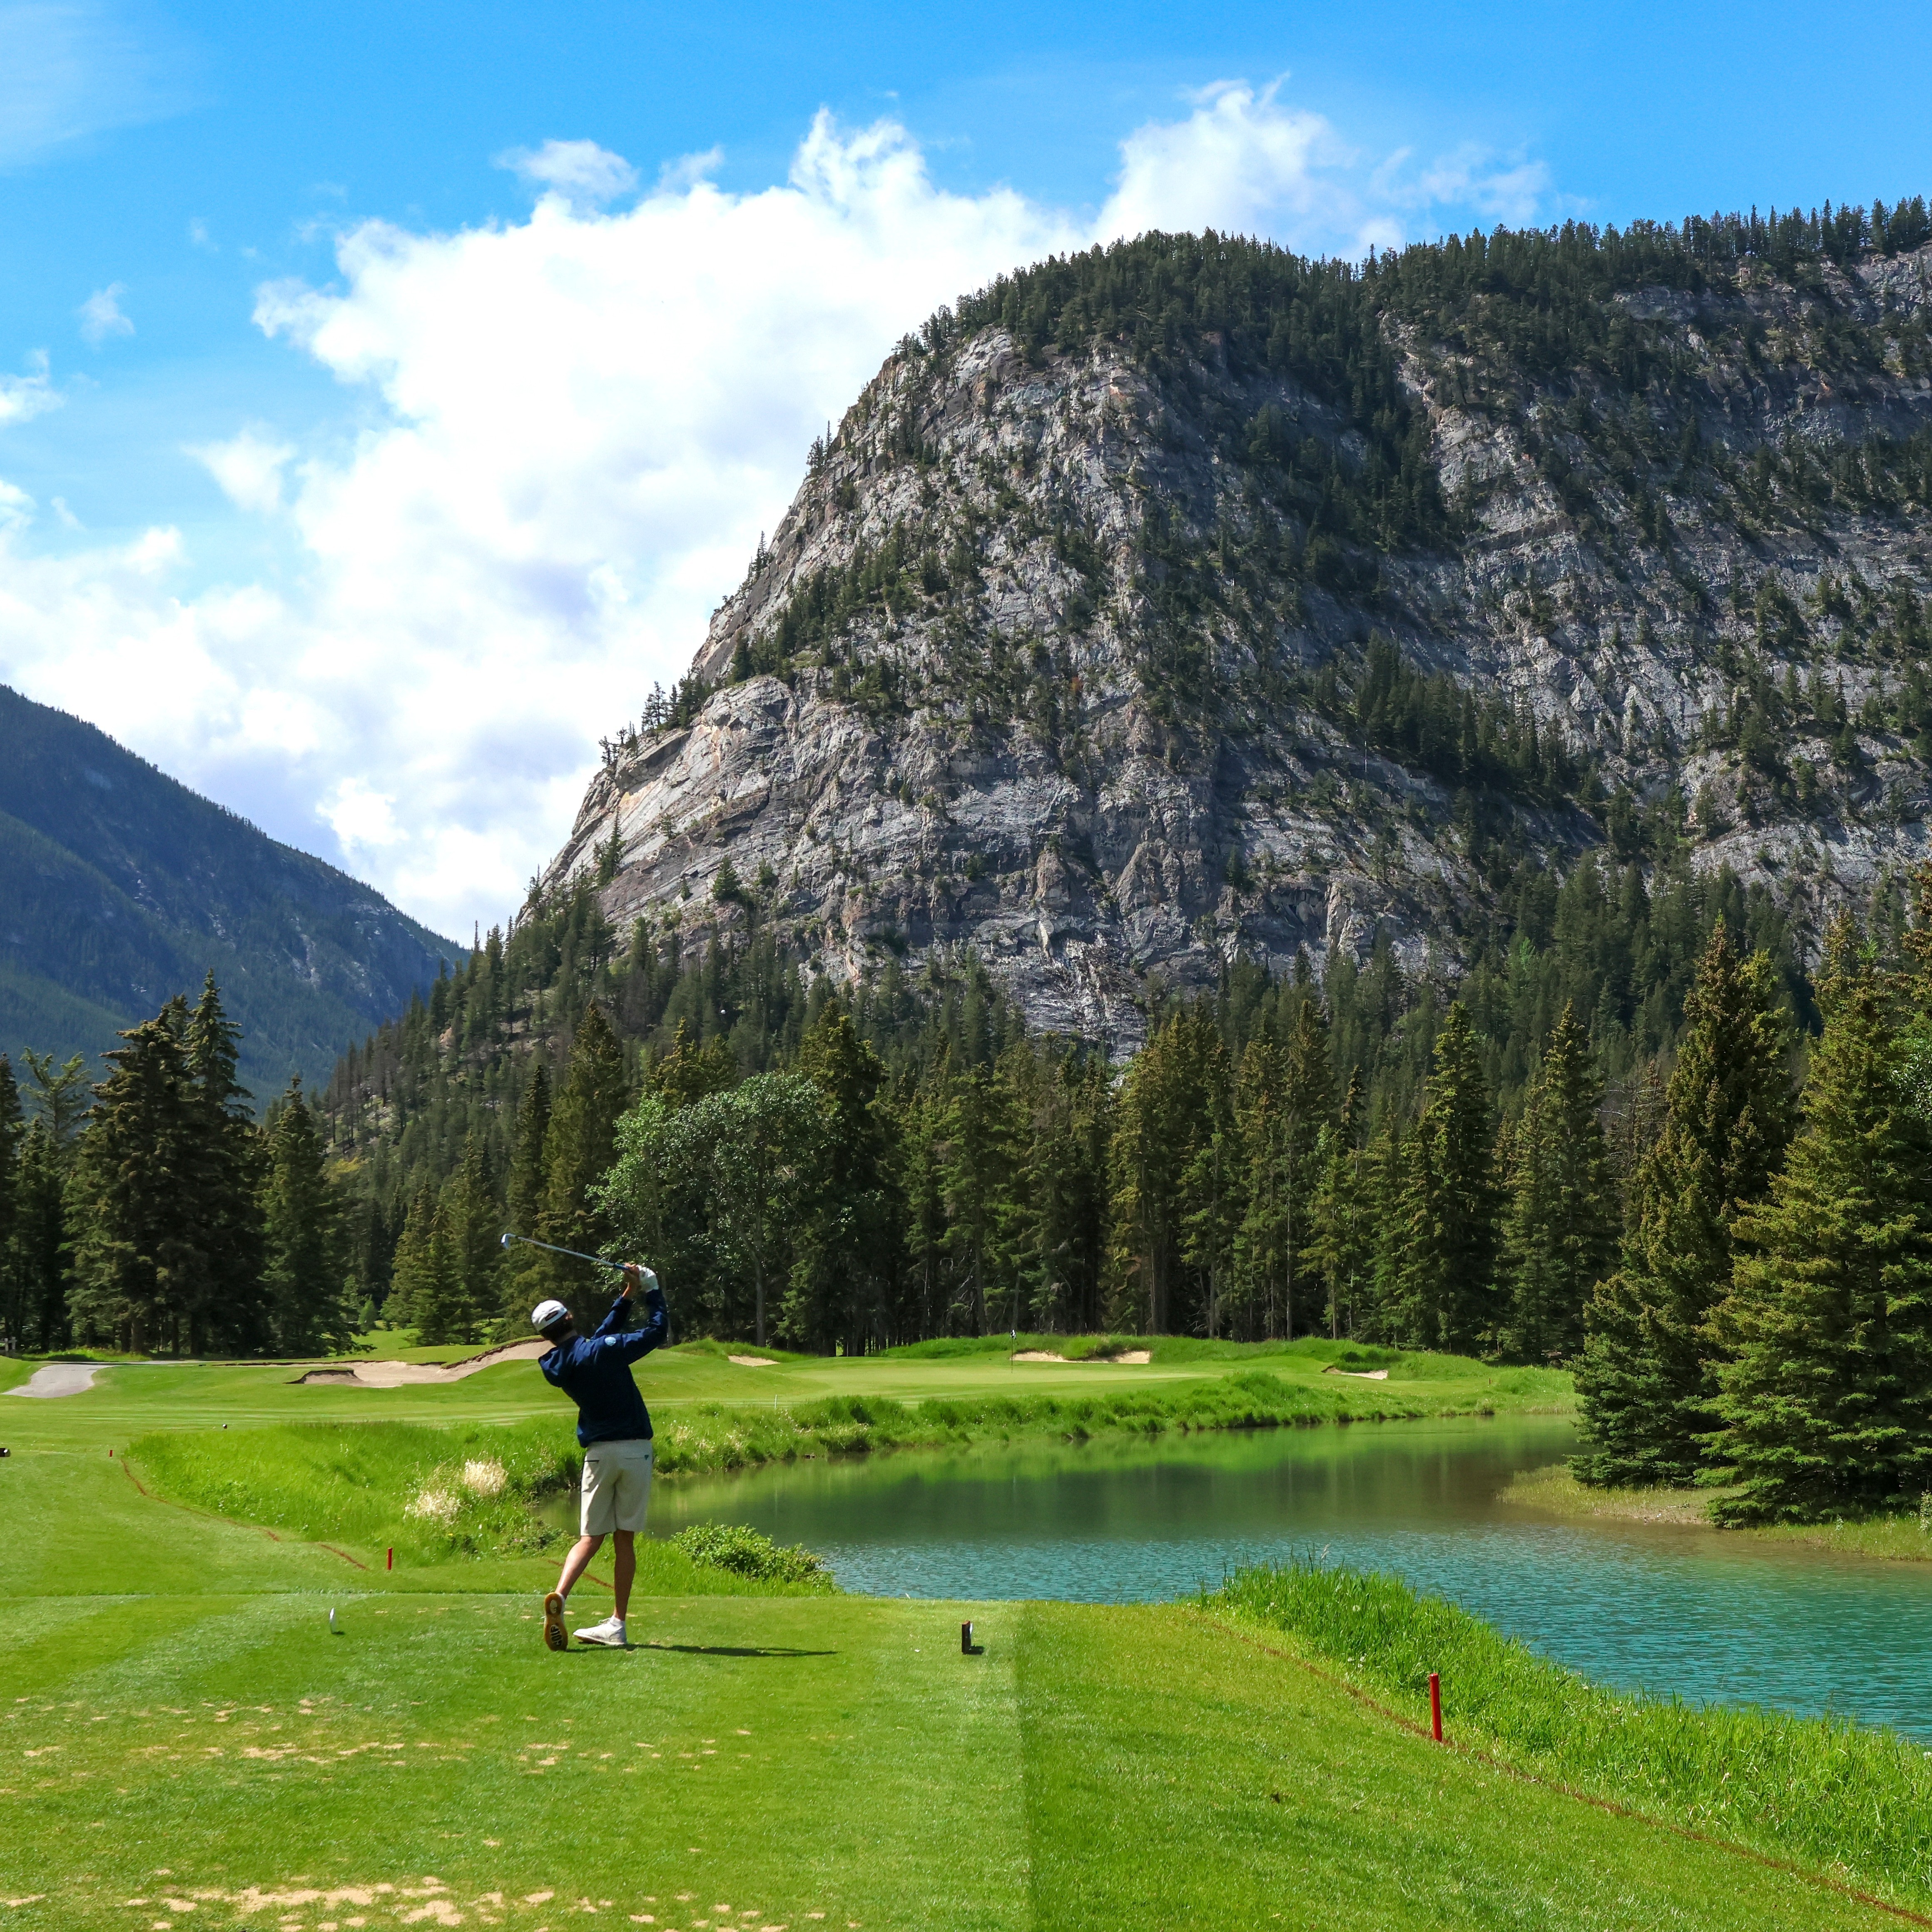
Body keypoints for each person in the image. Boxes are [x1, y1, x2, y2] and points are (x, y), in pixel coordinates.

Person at [531, 1261, 668, 1650]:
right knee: (625, 1539)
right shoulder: (601, 1351)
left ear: (545, 1335)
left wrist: (627, 1295)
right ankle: (617, 1624)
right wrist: (652, 1289)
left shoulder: (556, 1364)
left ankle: (560, 1595)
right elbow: (657, 1332)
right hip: (635, 1452)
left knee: (590, 1538)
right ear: (570, 1317)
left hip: (597, 1456)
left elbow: (595, 1343)